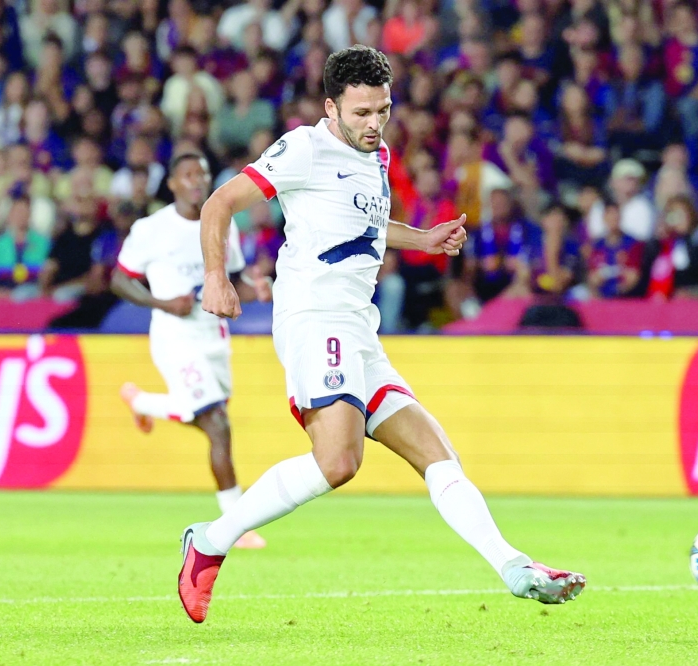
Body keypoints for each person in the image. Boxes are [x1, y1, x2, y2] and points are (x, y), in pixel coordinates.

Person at [179, 45, 585, 624]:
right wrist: (217, 279)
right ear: (331, 107)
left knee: (437, 455)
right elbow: (220, 204)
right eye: (362, 112)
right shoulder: (304, 147)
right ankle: (211, 544)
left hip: (359, 328)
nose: (374, 124)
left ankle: (515, 567)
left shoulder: (376, 154)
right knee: (340, 460)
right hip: (315, 319)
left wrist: (423, 240)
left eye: (383, 111)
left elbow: (364, 225)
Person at [111, 151, 273, 550]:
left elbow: (232, 281)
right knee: (217, 423)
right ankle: (236, 526)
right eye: (187, 175)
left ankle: (144, 403)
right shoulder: (151, 229)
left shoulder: (222, 223)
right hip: (174, 338)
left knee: (205, 416)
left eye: (201, 174)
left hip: (213, 337)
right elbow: (119, 280)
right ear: (172, 184)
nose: (196, 181)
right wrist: (164, 303)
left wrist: (258, 290)